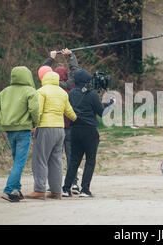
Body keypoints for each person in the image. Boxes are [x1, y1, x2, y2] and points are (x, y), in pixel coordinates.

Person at [62, 69, 115, 197]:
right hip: (89, 130)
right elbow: (101, 113)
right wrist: (111, 104)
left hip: (74, 130)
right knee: (90, 159)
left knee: (74, 160)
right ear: (86, 81)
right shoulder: (91, 94)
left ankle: (66, 188)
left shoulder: (70, 94)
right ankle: (85, 189)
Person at [25, 71, 77, 200]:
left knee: (40, 159)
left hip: (45, 128)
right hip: (60, 130)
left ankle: (39, 190)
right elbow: (70, 112)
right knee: (56, 161)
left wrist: (34, 126)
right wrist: (76, 118)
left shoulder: (41, 91)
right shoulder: (63, 93)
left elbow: (38, 111)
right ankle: (56, 191)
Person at [0, 66, 40, 202]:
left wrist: (2, 118)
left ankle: (16, 190)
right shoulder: (30, 91)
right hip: (23, 130)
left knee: (16, 161)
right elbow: (34, 109)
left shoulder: (5, 91)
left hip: (9, 130)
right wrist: (35, 123)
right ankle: (8, 190)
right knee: (19, 161)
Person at [42, 48, 81, 194]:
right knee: (72, 157)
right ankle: (74, 184)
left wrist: (50, 59)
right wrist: (71, 56)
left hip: (53, 128)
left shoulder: (47, 88)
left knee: (53, 159)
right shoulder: (71, 86)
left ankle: (54, 185)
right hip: (70, 127)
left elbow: (43, 72)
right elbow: (75, 72)